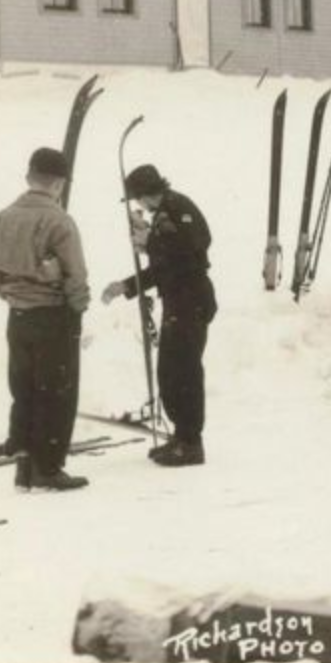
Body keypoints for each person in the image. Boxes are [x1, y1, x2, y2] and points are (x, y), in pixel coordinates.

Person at [0, 147, 91, 492]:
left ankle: (24, 465)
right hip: (54, 316)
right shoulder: (59, 221)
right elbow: (76, 276)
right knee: (56, 392)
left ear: (29, 178)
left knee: (24, 390)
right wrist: (77, 308)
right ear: (58, 184)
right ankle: (48, 468)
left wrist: (14, 296)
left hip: (18, 316)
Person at [101, 164, 217, 466]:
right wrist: (125, 286)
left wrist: (150, 242)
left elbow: (196, 245)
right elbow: (163, 267)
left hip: (190, 300)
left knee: (185, 372)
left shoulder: (178, 206)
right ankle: (181, 437)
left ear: (145, 194)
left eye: (137, 199)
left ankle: (191, 443)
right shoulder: (163, 213)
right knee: (170, 372)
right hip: (178, 302)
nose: (138, 206)